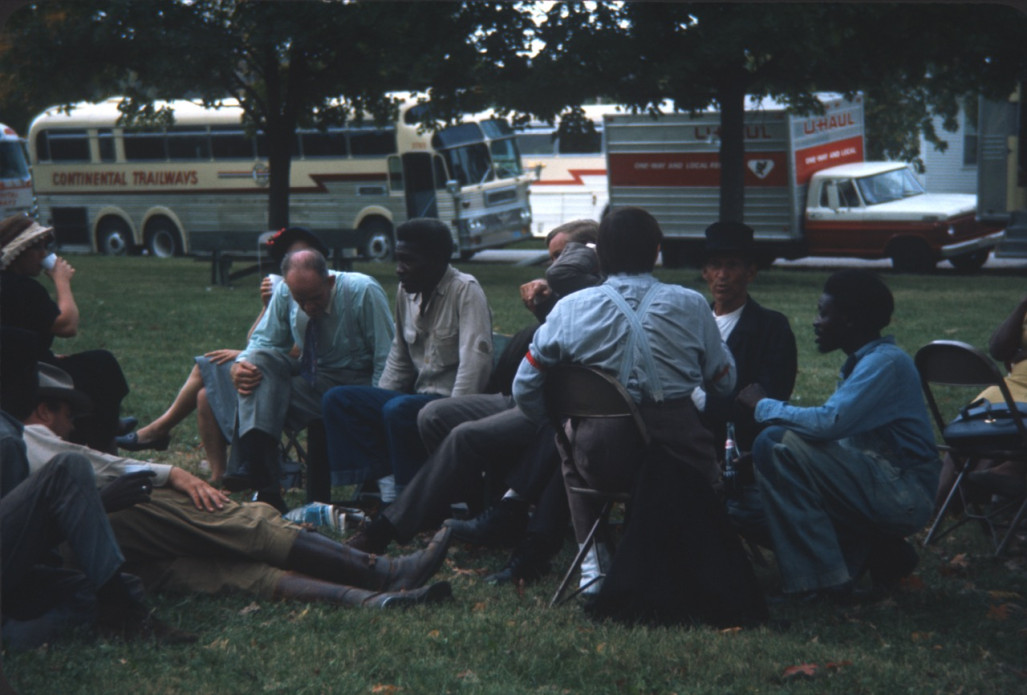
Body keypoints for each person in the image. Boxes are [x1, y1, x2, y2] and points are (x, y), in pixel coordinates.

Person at [21, 364, 453, 609]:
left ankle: (364, 599)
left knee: (217, 573)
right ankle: (387, 573)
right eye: (66, 416)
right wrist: (174, 474)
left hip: (54, 563)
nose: (70, 426)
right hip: (74, 538)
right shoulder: (28, 435)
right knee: (227, 520)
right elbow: (100, 467)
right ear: (43, 410)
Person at [512, 206, 737, 594]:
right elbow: (723, 383)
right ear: (656, 251)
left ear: (602, 255)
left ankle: (593, 567)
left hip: (602, 461)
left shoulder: (569, 309)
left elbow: (525, 385)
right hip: (681, 459)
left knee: (568, 442)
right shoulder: (692, 304)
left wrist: (554, 424)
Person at [345, 220, 599, 554]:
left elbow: (487, 364)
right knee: (431, 415)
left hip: (555, 411)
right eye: (550, 259)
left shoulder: (600, 300)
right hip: (521, 399)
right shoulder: (561, 303)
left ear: (589, 255)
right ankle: (467, 506)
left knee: (458, 431)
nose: (554, 268)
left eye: (561, 257)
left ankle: (391, 525)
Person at [737, 269, 939, 601]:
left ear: (850, 320)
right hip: (876, 482)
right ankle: (875, 550)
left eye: (824, 313)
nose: (816, 322)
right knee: (744, 505)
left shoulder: (886, 363)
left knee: (773, 440)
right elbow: (841, 441)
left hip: (903, 493)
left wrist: (763, 405)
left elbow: (829, 423)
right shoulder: (862, 363)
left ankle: (822, 583)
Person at [1, 327, 193, 648]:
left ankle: (111, 604)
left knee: (118, 585)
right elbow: (17, 546)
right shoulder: (6, 438)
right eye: (30, 379)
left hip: (17, 576)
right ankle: (121, 611)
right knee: (68, 469)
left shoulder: (11, 429)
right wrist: (99, 502)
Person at [115, 227, 330, 485]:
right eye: (289, 256)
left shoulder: (321, 294)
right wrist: (267, 307)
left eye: (300, 254)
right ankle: (220, 475)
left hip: (292, 373)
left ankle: (158, 430)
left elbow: (300, 351)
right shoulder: (287, 291)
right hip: (270, 364)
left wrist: (242, 356)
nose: (293, 260)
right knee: (205, 395)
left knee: (206, 366)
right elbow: (255, 339)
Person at [321, 218, 493, 502]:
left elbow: (475, 365)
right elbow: (399, 357)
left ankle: (413, 498)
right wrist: (378, 402)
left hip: (450, 404)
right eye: (398, 259)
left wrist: (451, 420)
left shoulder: (465, 291)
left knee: (398, 410)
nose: (399, 269)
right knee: (338, 400)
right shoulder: (406, 292)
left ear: (436, 261)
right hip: (415, 400)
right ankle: (383, 483)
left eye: (408, 261)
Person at [226, 247, 393, 511]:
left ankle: (254, 468)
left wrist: (377, 408)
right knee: (257, 367)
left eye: (315, 298)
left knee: (266, 399)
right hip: (315, 377)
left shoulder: (363, 292)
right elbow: (264, 340)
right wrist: (240, 364)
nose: (308, 306)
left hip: (357, 383)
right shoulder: (285, 293)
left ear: (329, 281)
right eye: (300, 299)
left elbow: (386, 357)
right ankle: (264, 480)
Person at [693, 221, 797, 544]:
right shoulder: (691, 324)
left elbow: (766, 403)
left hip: (737, 450)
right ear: (704, 272)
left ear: (750, 273)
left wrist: (701, 401)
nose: (722, 275)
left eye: (732, 266)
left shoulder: (771, 329)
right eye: (715, 266)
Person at [0, 214, 132, 453]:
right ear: (17, 253)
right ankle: (106, 438)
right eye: (36, 247)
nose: (43, 254)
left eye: (45, 246)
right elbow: (67, 325)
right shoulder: (23, 287)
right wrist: (62, 281)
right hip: (22, 378)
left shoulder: (8, 285)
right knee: (102, 365)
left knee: (89, 366)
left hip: (18, 366)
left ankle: (109, 428)